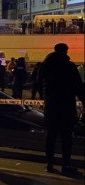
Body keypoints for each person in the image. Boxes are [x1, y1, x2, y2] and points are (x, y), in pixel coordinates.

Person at [38, 43, 84, 174]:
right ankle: (66, 165)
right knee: (66, 137)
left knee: (50, 136)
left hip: (51, 106)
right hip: (66, 106)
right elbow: (78, 87)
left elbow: (38, 82)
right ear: (65, 51)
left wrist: (44, 98)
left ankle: (49, 164)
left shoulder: (45, 66)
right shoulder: (69, 66)